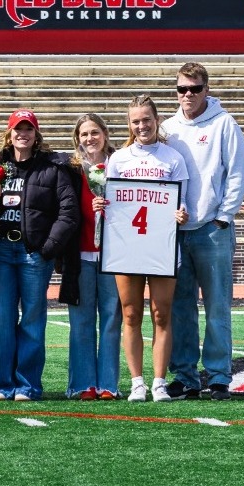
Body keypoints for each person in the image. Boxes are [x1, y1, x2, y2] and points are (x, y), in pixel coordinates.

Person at [160, 62, 244, 401]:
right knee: (180, 307)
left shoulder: (224, 123)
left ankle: (217, 376)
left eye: (194, 89)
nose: (187, 95)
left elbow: (238, 172)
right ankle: (184, 376)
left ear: (206, 89)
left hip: (212, 229)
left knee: (216, 307)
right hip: (176, 230)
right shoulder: (167, 127)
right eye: (182, 89)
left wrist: (224, 216)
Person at [100, 96, 190, 402]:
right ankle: (137, 382)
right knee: (130, 313)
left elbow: (182, 200)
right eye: (136, 121)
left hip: (162, 245)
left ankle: (159, 382)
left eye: (147, 119)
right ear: (130, 124)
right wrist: (102, 204)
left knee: (161, 314)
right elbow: (112, 202)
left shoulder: (173, 158)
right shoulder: (119, 159)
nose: (142, 126)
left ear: (156, 120)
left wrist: (182, 213)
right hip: (127, 246)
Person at [0, 110, 79, 401]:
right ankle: (2, 384)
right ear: (9, 133)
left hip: (33, 253)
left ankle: (27, 385)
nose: (22, 134)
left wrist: (48, 248)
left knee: (33, 320)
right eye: (17, 129)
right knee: (1, 319)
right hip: (1, 250)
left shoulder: (52, 168)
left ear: (36, 134)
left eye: (28, 129)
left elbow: (69, 212)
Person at [67, 114, 121, 400]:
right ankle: (82, 383)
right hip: (81, 253)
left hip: (114, 255)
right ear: (77, 138)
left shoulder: (121, 164)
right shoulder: (71, 168)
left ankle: (109, 384)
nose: (90, 139)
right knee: (81, 320)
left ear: (105, 134)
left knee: (112, 318)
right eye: (84, 134)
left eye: (95, 133)